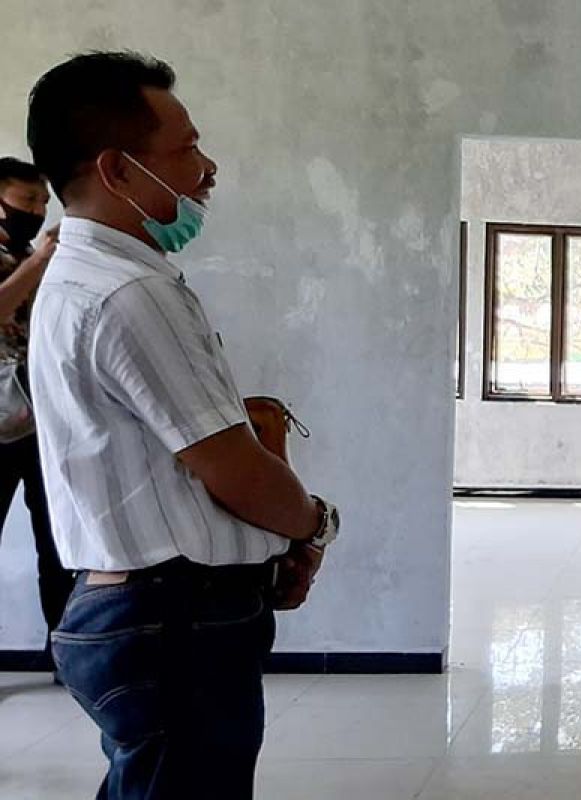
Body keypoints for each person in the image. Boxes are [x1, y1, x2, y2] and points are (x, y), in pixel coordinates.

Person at [26, 51, 340, 799]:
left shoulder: (80, 278)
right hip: (172, 622)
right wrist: (314, 525)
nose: (206, 168)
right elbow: (231, 467)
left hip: (142, 609)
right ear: (119, 170)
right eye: (187, 147)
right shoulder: (129, 293)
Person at [0, 156, 73, 671]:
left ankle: (68, 653)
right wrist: (37, 264)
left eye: (43, 202)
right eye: (27, 202)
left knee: (58, 535)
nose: (38, 211)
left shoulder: (27, 252)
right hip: (0, 421)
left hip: (40, 417)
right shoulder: (29, 258)